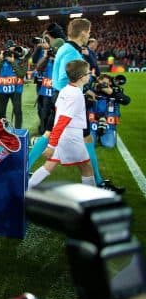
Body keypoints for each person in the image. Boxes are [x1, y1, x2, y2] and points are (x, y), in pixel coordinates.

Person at [31, 18, 124, 193]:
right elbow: (60, 80)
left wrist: (83, 90)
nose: (89, 35)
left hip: (62, 98)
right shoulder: (71, 52)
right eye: (89, 32)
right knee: (68, 140)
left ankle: (24, 171)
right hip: (67, 101)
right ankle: (97, 182)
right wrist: (81, 89)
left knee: (53, 136)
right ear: (83, 33)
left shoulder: (67, 48)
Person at [27, 60, 96, 189]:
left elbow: (58, 115)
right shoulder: (75, 94)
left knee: (50, 164)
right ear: (81, 77)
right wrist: (51, 145)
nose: (90, 75)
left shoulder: (65, 89)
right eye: (88, 73)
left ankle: (26, 188)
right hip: (71, 136)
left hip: (64, 135)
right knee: (87, 168)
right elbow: (62, 120)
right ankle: (93, 199)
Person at [0, 40, 27, 129]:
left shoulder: (20, 59)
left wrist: (13, 61)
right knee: (1, 112)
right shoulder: (2, 59)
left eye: (13, 49)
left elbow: (21, 74)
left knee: (17, 111)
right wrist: (0, 60)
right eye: (9, 50)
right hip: (2, 90)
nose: (11, 52)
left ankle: (18, 130)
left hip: (16, 89)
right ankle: (3, 129)